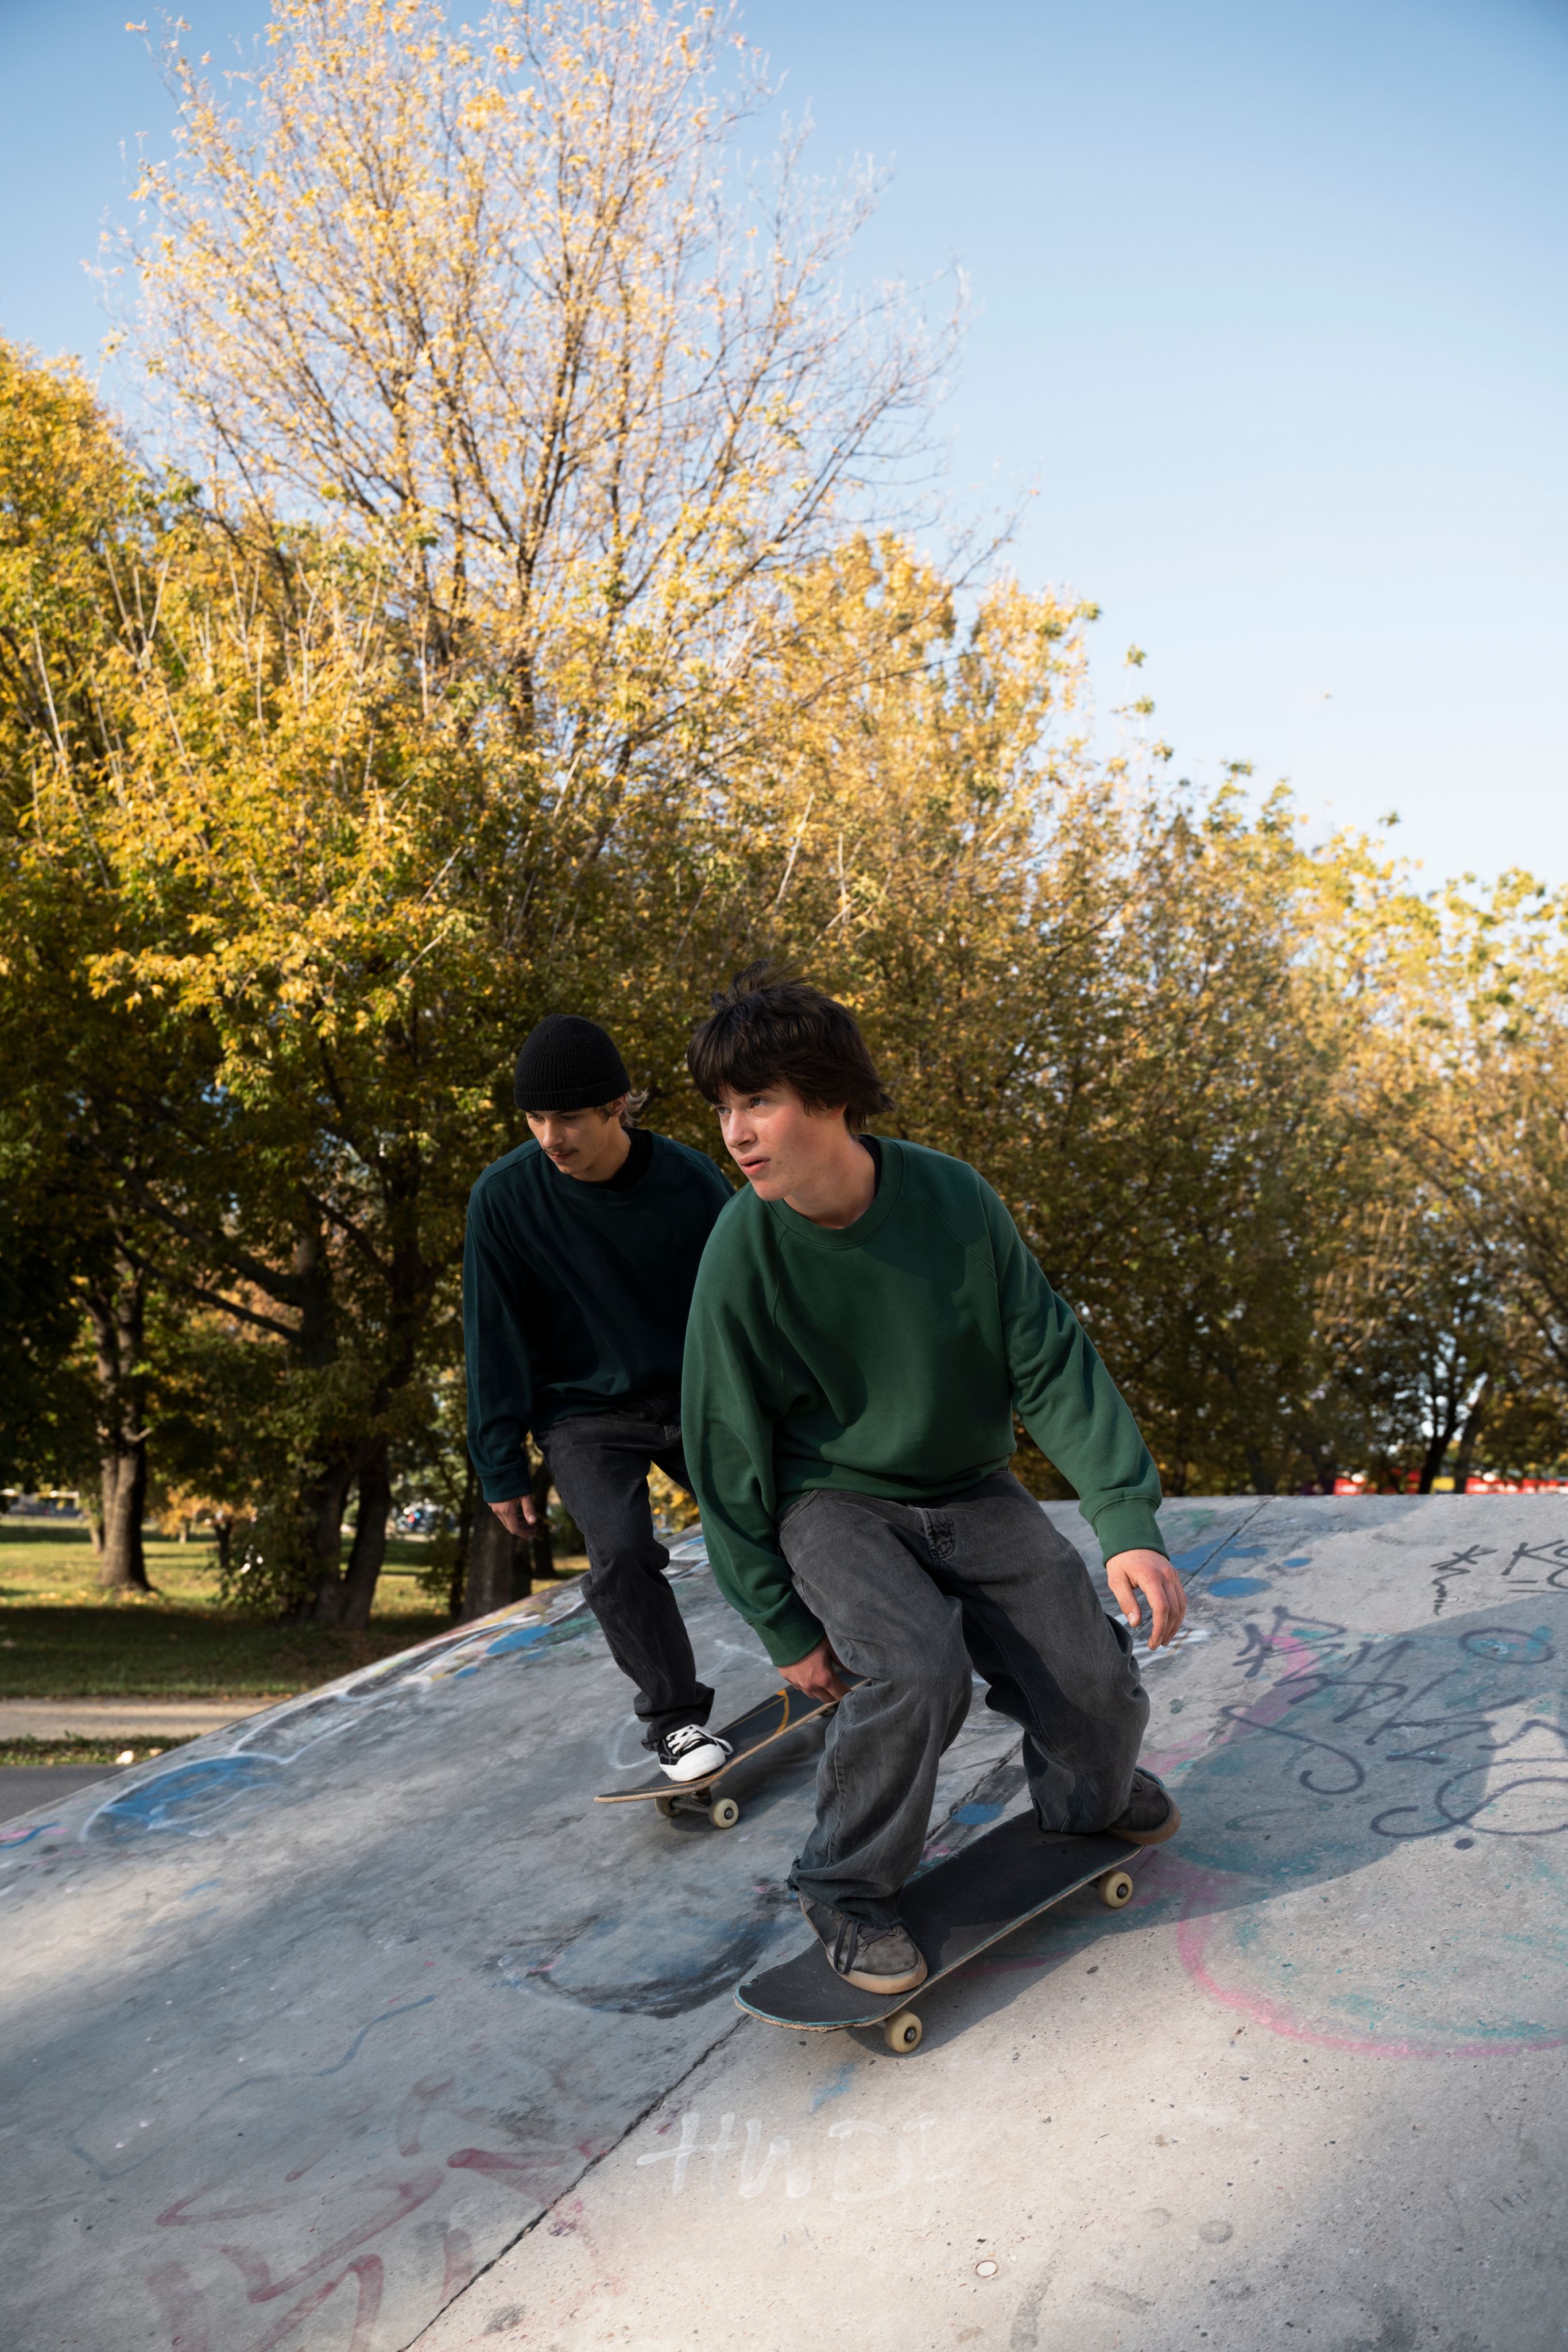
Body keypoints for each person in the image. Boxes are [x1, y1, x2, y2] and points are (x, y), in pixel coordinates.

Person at [680, 966, 1186, 1995]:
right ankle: (845, 1888)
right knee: (916, 1670)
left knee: (1092, 1682)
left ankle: (1085, 1799)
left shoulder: (952, 1200)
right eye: (726, 1110)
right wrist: (783, 1626)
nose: (737, 1133)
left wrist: (1125, 1519)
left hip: (967, 1484)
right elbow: (723, 1440)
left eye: (759, 1102)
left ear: (829, 1096)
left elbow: (1047, 1358)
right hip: (831, 1499)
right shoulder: (743, 1247)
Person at [464, 1012, 735, 1781]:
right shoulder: (504, 1199)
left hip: (690, 1390)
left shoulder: (687, 1181)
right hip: (581, 1413)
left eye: (569, 1118)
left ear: (618, 1106)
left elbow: (742, 1304)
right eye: (536, 1117)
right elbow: (491, 1335)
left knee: (768, 1513)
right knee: (618, 1553)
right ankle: (676, 1722)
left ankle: (841, 1649)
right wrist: (501, 1467)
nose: (550, 1135)